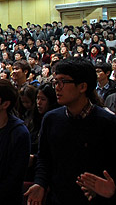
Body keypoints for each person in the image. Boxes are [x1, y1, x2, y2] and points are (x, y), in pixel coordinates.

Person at [25, 58, 116, 205]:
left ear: (82, 86)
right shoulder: (51, 119)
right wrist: (40, 183)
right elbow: (45, 158)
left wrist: (112, 189)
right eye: (56, 82)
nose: (57, 88)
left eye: (63, 82)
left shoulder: (108, 123)